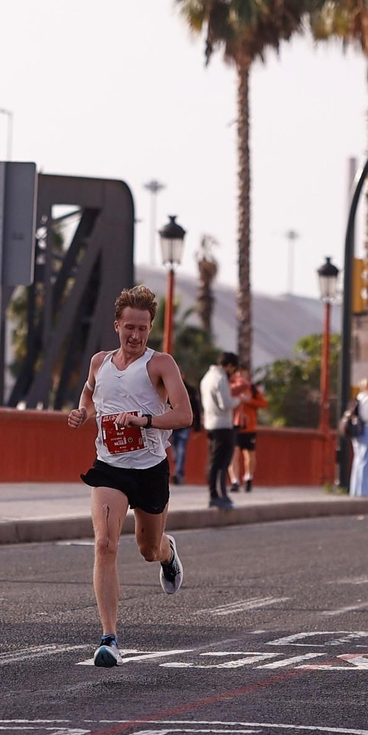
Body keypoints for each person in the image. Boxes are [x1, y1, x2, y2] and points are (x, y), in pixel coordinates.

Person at [67, 285, 193, 667]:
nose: (136, 336)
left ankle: (168, 553)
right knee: (105, 545)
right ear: (117, 325)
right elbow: (89, 394)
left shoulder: (161, 364)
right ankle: (109, 639)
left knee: (147, 549)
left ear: (150, 328)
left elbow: (185, 415)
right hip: (109, 468)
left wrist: (146, 420)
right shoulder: (100, 362)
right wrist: (82, 412)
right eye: (129, 328)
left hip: (150, 468)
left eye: (143, 328)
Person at [200, 352, 239, 509]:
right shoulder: (221, 378)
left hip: (211, 423)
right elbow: (225, 404)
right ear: (229, 366)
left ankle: (216, 494)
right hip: (222, 424)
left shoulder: (207, 377)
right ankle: (218, 495)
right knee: (221, 462)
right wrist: (240, 400)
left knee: (214, 460)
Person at [229, 366, 267, 492]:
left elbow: (263, 403)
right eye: (238, 373)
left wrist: (249, 401)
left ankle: (248, 477)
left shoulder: (253, 389)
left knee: (249, 455)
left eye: (243, 373)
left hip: (249, 427)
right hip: (234, 425)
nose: (240, 376)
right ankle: (234, 481)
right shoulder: (231, 388)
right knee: (233, 455)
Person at [347, 377, 368, 497]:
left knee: (358, 459)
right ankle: (364, 490)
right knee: (366, 460)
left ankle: (355, 489)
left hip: (358, 430)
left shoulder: (359, 397)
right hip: (367, 428)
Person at [169, 386, 201, 486]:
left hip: (184, 425)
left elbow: (196, 407)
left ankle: (179, 473)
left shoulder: (189, 390)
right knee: (175, 452)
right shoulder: (168, 388)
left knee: (181, 450)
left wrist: (197, 426)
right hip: (172, 424)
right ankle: (178, 470)